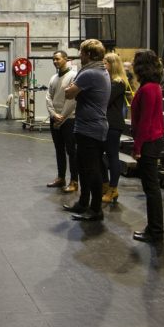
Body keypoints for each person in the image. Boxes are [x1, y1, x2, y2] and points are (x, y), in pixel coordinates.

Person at [62, 38, 111, 222]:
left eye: (81, 52)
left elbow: (68, 93)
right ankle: (83, 203)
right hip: (90, 127)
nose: (79, 55)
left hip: (90, 129)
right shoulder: (99, 70)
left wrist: (73, 87)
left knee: (92, 170)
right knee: (84, 168)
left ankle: (96, 209)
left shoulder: (89, 73)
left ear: (89, 55)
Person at [130, 49, 164, 243]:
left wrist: (137, 148)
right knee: (150, 188)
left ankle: (156, 231)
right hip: (151, 139)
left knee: (151, 188)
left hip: (149, 141)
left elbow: (145, 122)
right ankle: (153, 228)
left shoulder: (150, 88)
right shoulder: (150, 86)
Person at [45, 50, 79, 192]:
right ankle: (61, 177)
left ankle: (74, 181)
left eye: (58, 59)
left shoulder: (73, 76)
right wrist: (53, 115)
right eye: (53, 59)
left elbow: (72, 100)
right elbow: (48, 97)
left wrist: (62, 117)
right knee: (59, 150)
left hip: (69, 119)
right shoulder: (53, 78)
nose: (55, 61)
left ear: (66, 59)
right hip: (56, 118)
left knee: (71, 151)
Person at [101, 53, 131, 205]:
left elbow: (104, 100)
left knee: (112, 156)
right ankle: (105, 185)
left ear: (112, 65)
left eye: (105, 63)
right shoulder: (107, 81)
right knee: (100, 155)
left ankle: (113, 188)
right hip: (103, 123)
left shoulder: (118, 82)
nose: (102, 66)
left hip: (113, 124)